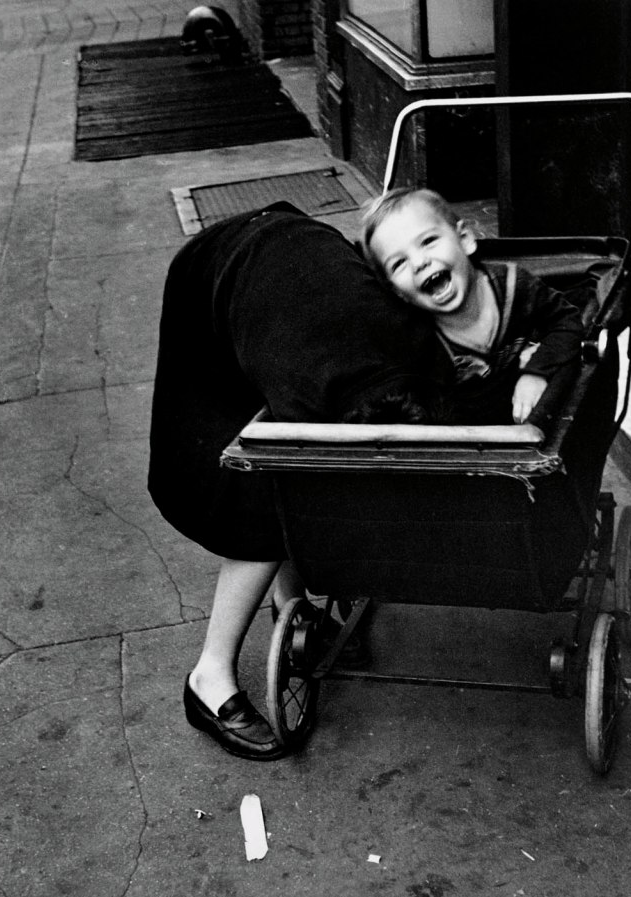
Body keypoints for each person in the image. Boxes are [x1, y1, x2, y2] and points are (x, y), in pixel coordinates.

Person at [148, 202, 444, 761]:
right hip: (214, 275)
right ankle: (208, 680)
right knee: (259, 488)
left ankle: (292, 605)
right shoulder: (306, 379)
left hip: (291, 266)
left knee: (288, 483)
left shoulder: (410, 340)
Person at [360, 187, 583, 426]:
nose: (419, 262)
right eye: (399, 263)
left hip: (533, 419)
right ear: (397, 292)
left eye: (428, 241)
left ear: (464, 240)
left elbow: (567, 321)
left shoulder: (514, 286)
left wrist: (537, 372)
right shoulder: (417, 338)